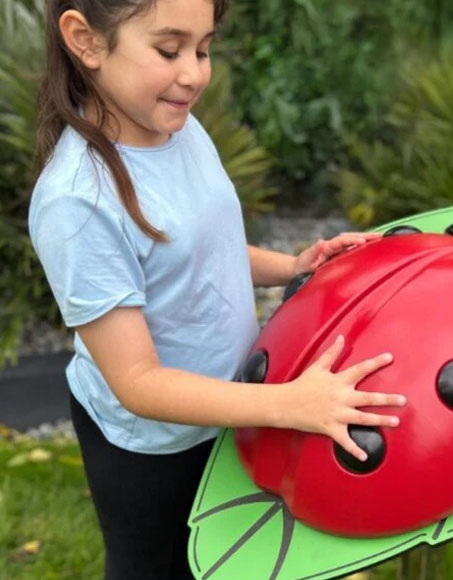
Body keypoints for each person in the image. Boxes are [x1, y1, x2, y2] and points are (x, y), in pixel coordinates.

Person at [28, 0, 407, 578]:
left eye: (203, 49)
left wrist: (292, 265)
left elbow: (198, 250)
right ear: (86, 40)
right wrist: (290, 404)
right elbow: (138, 382)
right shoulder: (78, 202)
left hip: (229, 410)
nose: (194, 74)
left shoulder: (172, 124)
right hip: (152, 450)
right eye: (169, 50)